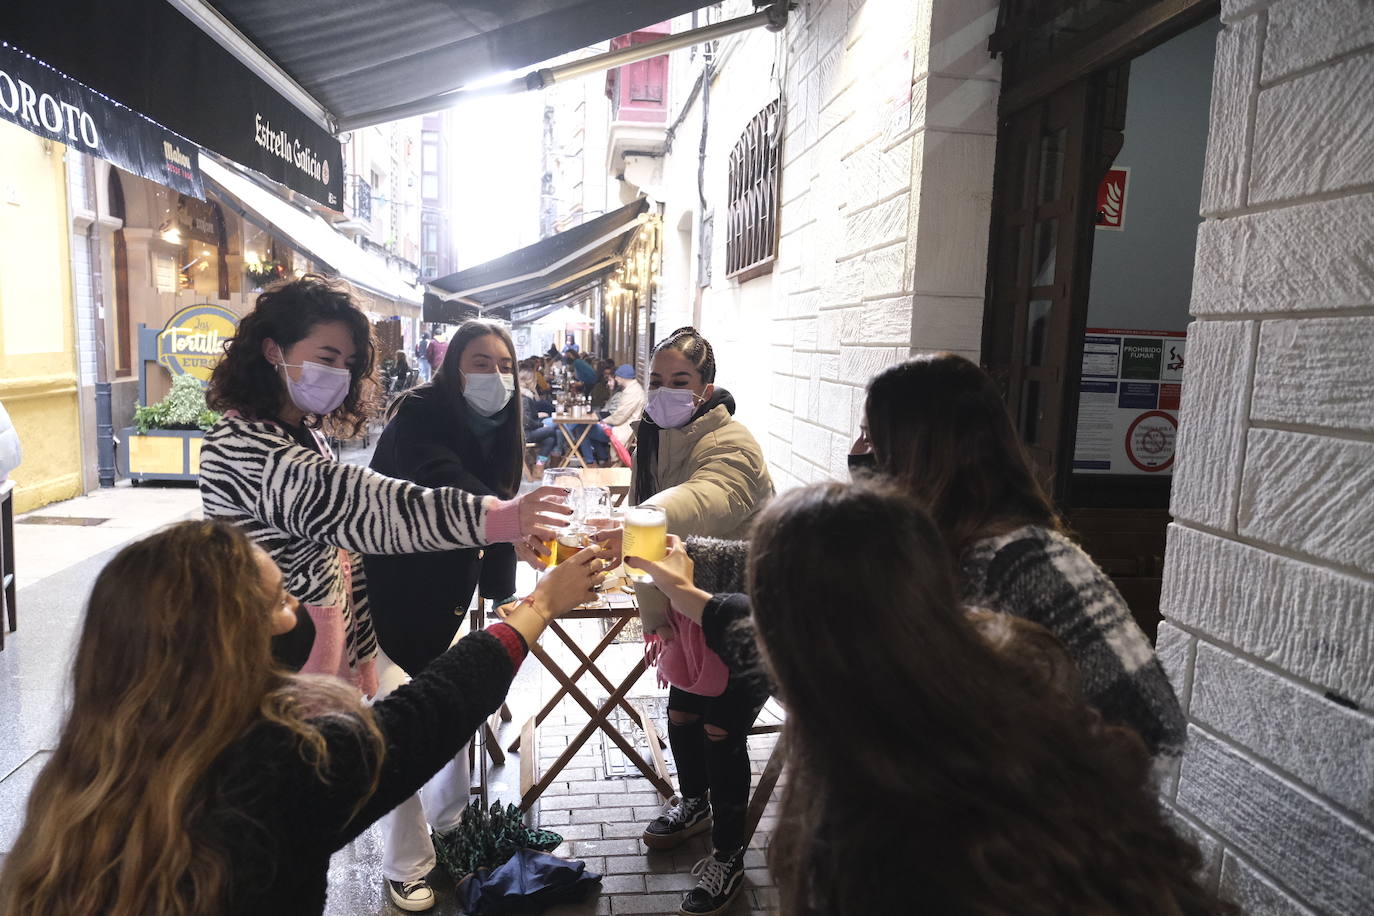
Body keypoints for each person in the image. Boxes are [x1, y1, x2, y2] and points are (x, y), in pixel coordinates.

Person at [658, 481, 1231, 916]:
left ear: (799, 637)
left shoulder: (886, 796)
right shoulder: (973, 663)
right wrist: (680, 585)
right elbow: (727, 613)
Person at [0, 519, 605, 916]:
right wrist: (542, 604)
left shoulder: (77, 779)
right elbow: (428, 714)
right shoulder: (274, 769)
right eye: (280, 603)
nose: (300, 609)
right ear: (229, 644)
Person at [646, 353, 1185, 763]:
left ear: (928, 452)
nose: (858, 452)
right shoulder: (909, 539)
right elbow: (795, 566)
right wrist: (682, 554)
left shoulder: (1030, 561)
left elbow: (1151, 719)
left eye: (871, 436)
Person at [199, 275, 568, 704]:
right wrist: (507, 518)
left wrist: (362, 658)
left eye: (348, 363)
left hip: (324, 666)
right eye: (327, 357)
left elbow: (341, 554)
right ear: (272, 350)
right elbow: (363, 505)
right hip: (277, 674)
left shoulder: (299, 431)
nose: (339, 373)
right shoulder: (240, 445)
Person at [362, 319, 531, 908]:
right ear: (453, 366)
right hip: (387, 590)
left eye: (504, 365)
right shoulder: (420, 414)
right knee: (396, 719)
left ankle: (454, 824)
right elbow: (450, 486)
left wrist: (500, 590)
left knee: (448, 705)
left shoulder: (503, 424)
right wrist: (510, 519)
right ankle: (406, 861)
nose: (495, 375)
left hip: (448, 595)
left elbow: (498, 503)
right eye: (480, 363)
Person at [627, 326, 774, 916]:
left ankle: (728, 855)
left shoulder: (732, 443)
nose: (664, 392)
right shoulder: (658, 436)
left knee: (722, 729)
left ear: (706, 387)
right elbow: (659, 557)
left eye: (679, 381)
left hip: (744, 613)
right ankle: (695, 802)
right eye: (656, 380)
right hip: (689, 610)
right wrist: (656, 618)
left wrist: (641, 517)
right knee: (683, 709)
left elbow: (706, 497)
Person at [585, 363, 645, 464]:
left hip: (624, 429)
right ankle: (600, 458)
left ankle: (590, 461)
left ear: (623, 377)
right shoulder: (632, 390)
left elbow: (619, 417)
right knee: (585, 428)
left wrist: (603, 421)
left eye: (617, 376)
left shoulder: (632, 392)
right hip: (624, 426)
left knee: (584, 429)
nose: (616, 379)